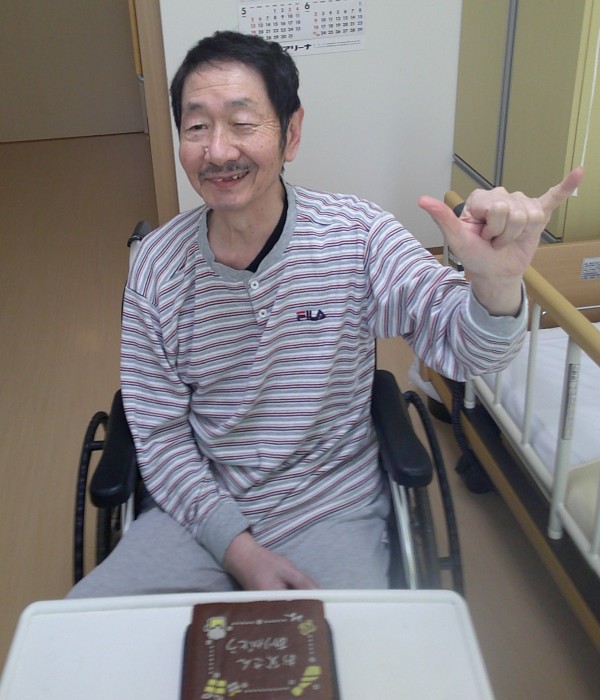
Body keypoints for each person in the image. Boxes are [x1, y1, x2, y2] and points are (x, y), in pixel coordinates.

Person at [69, 30, 583, 597]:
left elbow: (468, 351)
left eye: (242, 123)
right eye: (196, 127)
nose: (218, 151)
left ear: (291, 133)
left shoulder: (357, 236)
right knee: (87, 634)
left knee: (355, 649)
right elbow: (160, 432)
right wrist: (237, 549)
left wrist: (496, 281)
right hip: (196, 512)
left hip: (330, 506)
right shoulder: (156, 266)